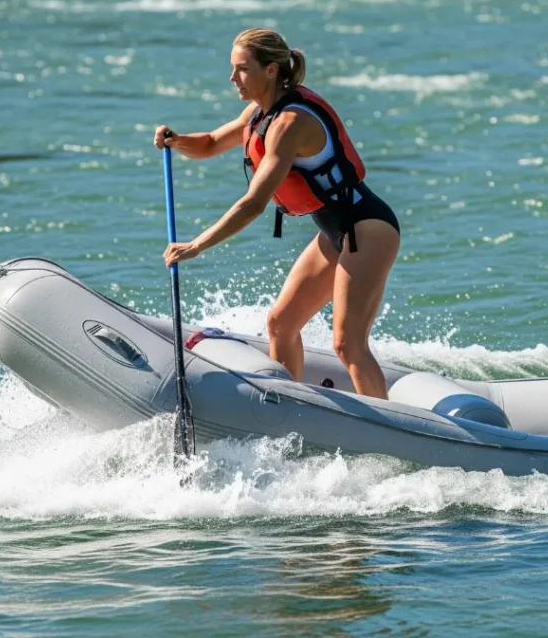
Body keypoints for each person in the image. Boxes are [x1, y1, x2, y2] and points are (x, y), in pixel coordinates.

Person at [155, 28, 400, 399]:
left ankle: (391, 429)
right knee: (281, 324)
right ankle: (291, 410)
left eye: (241, 69)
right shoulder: (259, 113)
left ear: (271, 70)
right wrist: (176, 140)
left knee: (348, 343)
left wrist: (197, 246)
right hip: (335, 231)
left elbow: (254, 203)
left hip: (366, 227)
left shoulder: (290, 123)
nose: (232, 78)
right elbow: (208, 144)